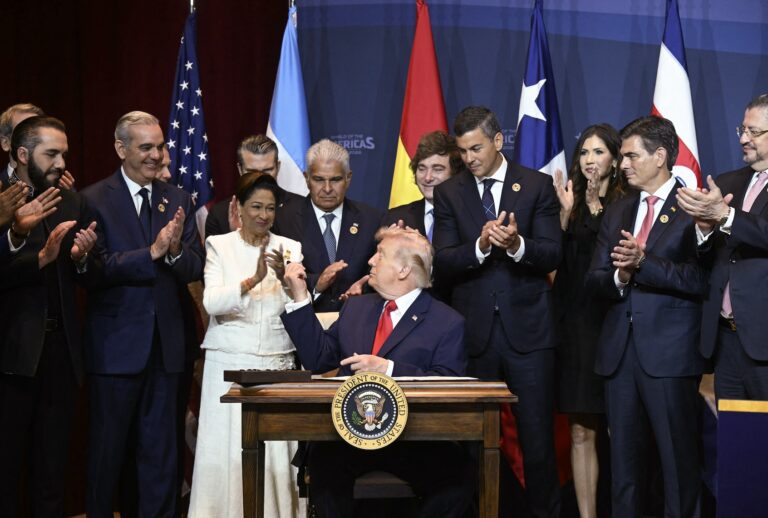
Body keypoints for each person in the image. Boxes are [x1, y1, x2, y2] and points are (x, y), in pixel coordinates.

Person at [281, 226, 471, 518]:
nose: (370, 261)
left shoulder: (447, 322)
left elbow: (449, 383)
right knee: (323, 462)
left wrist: (389, 370)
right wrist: (300, 298)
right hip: (349, 437)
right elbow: (319, 359)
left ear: (405, 269)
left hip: (417, 439)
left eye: (380, 255)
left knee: (455, 479)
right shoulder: (356, 309)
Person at [432, 106, 562, 517]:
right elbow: (445, 260)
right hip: (475, 335)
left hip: (529, 335)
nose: (469, 158)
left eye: (476, 148)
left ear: (498, 141)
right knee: (472, 443)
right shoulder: (450, 192)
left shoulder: (537, 185)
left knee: (538, 443)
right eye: (463, 151)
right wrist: (482, 247)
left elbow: (553, 252)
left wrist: (515, 245)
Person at [81, 111, 205, 517]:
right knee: (107, 455)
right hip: (116, 350)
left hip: (168, 351)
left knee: (161, 457)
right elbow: (93, 270)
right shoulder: (93, 199)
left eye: (160, 146)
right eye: (146, 147)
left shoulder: (177, 199)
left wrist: (173, 251)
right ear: (121, 149)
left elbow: (194, 268)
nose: (156, 155)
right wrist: (149, 254)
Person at [586, 115, 706, 517]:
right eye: (621, 156)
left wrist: (644, 263)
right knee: (624, 468)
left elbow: (701, 280)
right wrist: (620, 275)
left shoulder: (694, 207)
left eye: (631, 155)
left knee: (678, 465)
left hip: (669, 357)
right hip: (620, 356)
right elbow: (594, 281)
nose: (622, 164)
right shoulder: (618, 210)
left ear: (660, 156)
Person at [189, 173, 304, 518]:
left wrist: (287, 282)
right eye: (256, 206)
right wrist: (251, 280)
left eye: (270, 208)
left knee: (275, 451)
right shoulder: (220, 246)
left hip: (276, 357)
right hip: (229, 361)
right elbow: (211, 303)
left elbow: (300, 303)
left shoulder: (289, 248)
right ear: (238, 207)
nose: (263, 215)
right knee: (226, 449)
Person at [0, 115, 97, 517]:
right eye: (51, 153)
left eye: (64, 154)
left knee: (51, 474)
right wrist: (19, 239)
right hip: (10, 356)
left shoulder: (70, 200)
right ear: (22, 155)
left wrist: (82, 259)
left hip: (60, 355)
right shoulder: (2, 199)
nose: (60, 163)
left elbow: (84, 277)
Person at [551, 123, 627, 518]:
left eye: (598, 153)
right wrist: (564, 219)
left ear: (615, 159)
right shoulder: (569, 200)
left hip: (613, 326)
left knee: (619, 430)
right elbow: (555, 264)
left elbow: (613, 256)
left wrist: (597, 204)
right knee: (581, 429)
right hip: (575, 327)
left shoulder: (626, 202)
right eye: (584, 153)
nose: (589, 161)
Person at [677, 93, 768, 401]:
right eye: (742, 130)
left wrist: (725, 215)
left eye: (754, 132)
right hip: (724, 340)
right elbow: (706, 256)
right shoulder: (728, 182)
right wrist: (703, 229)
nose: (744, 138)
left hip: (764, 340)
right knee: (734, 439)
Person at [275, 138, 382, 312]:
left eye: (335, 180)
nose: (327, 188)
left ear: (348, 178)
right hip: (303, 324)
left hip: (357, 323)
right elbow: (277, 277)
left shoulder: (372, 219)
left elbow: (377, 275)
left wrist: (364, 290)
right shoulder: (283, 220)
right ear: (306, 178)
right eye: (318, 179)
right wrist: (317, 283)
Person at [205, 134, 302, 238]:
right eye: (252, 172)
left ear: (278, 167)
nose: (260, 178)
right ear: (240, 169)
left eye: (267, 171)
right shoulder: (219, 214)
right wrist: (238, 236)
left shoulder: (302, 208)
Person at [383, 130, 462, 239]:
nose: (427, 177)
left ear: (455, 173)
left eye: (437, 169)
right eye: (421, 169)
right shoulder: (395, 218)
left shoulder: (469, 215)